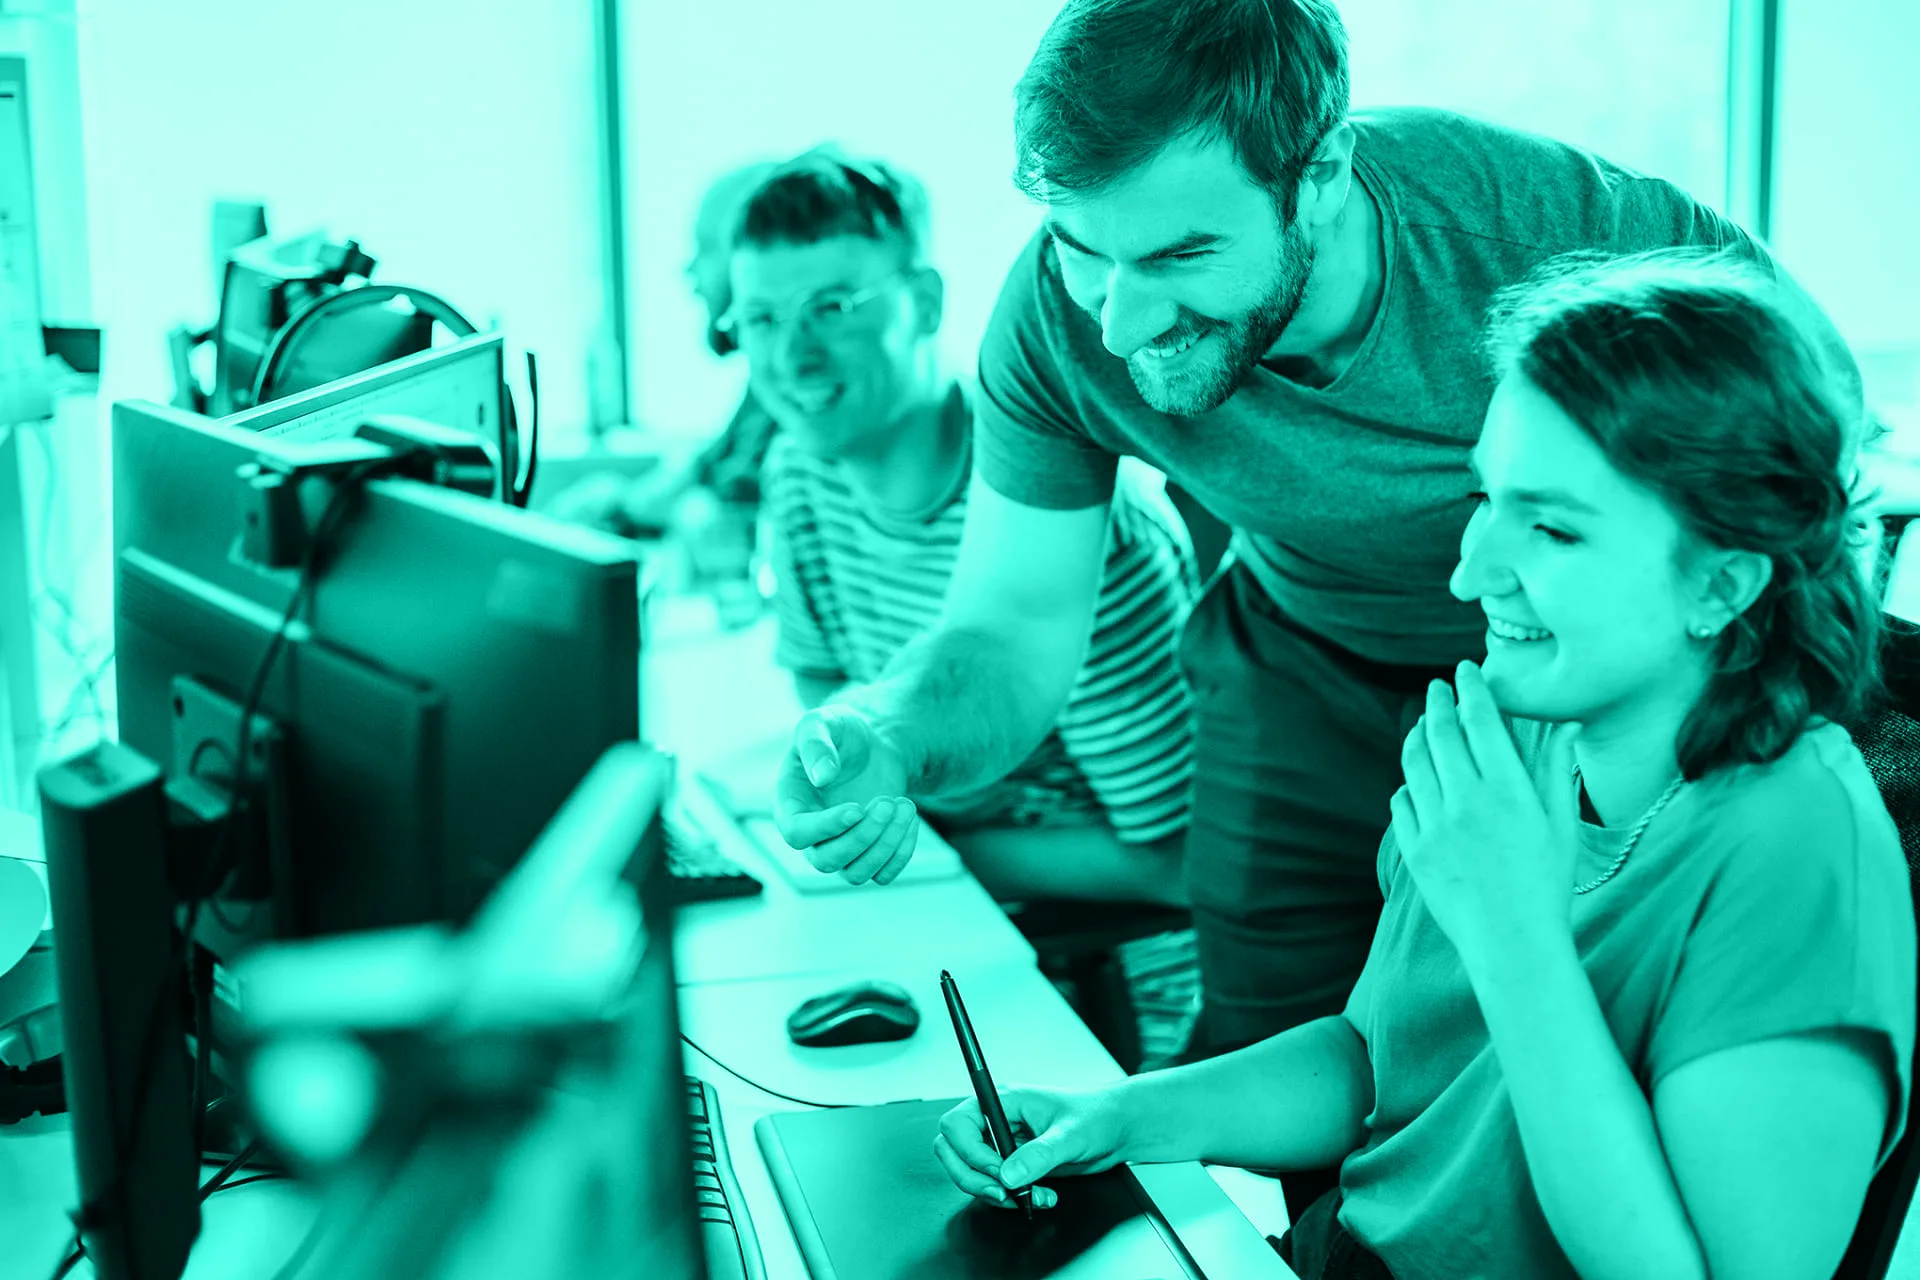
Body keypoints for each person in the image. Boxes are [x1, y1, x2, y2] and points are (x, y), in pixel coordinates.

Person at [769, 0, 1867, 1133]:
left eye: (1182, 254)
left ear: (1323, 174)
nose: (1119, 323)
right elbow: (1010, 629)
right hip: (1300, 653)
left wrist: (1715, 745)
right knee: (1270, 1055)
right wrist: (885, 735)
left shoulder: (1558, 239)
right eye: (1081, 248)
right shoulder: (1063, 316)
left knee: (1528, 1077)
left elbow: (1815, 453)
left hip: (1561, 679)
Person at [931, 249, 1916, 1280]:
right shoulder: (1519, 727)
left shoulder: (1799, 851)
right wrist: (1116, 1115)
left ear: (1720, 585)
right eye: (1487, 498)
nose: (1470, 571)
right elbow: (1374, 1058)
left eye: (1552, 527)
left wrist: (1514, 934)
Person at [735, 148, 1197, 906]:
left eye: (833, 308)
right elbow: (821, 679)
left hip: (1085, 945)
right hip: (934, 896)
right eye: (761, 319)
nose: (793, 357)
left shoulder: (1067, 514)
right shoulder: (799, 472)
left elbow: (1172, 863)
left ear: (924, 304)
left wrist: (922, 847)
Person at [549, 162, 781, 618]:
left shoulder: (796, 394)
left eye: (706, 247)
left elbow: (736, 530)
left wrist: (671, 508)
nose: (689, 270)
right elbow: (703, 468)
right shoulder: (760, 387)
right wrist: (620, 500)